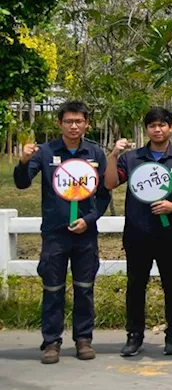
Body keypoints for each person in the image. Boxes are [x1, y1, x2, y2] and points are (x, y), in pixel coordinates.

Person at [14, 101, 110, 364]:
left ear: (87, 123)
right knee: (53, 288)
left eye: (79, 121)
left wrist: (89, 220)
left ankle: (83, 339)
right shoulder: (45, 152)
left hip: (85, 233)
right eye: (68, 121)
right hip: (55, 233)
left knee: (84, 287)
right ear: (59, 123)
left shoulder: (95, 153)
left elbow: (103, 195)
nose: (74, 126)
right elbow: (22, 183)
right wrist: (23, 161)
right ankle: (51, 342)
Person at [105, 106, 172, 358]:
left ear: (170, 127)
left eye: (162, 125)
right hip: (137, 232)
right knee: (135, 284)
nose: (158, 129)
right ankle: (134, 334)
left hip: (170, 233)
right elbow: (109, 183)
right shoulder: (132, 158)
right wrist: (113, 155)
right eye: (152, 125)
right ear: (146, 129)